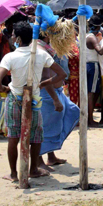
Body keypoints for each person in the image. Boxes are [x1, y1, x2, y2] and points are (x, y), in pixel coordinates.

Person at [0, 22, 67, 183]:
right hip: (34, 99)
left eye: (13, 35)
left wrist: (4, 89)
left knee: (13, 136)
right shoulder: (41, 54)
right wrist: (44, 83)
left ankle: (14, 173)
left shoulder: (10, 57)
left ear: (18, 38)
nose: (11, 37)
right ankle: (33, 169)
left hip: (15, 97)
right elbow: (62, 74)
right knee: (35, 136)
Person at [35, 37, 79, 172]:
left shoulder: (46, 47)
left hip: (56, 91)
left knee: (72, 112)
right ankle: (38, 160)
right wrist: (55, 99)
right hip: (48, 93)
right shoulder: (40, 50)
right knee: (45, 127)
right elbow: (44, 78)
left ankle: (51, 155)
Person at [84, 15, 103, 126]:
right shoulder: (92, 37)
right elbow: (100, 51)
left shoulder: (85, 35)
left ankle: (88, 117)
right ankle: (90, 119)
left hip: (87, 65)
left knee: (90, 93)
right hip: (93, 65)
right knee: (92, 93)